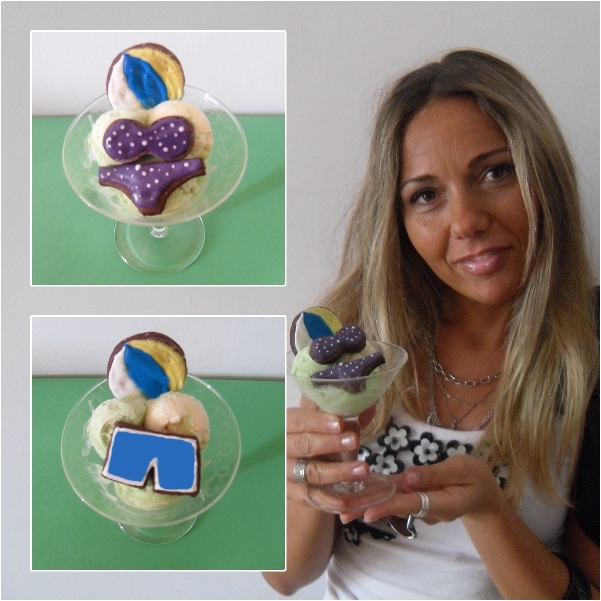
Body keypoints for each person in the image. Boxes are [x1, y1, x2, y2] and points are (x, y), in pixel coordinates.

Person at [264, 49, 599, 599]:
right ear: (398, 219)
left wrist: (488, 512)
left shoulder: (588, 351)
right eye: (426, 196)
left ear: (543, 174)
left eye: (495, 172)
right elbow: (285, 577)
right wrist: (309, 479)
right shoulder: (356, 336)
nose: (466, 222)